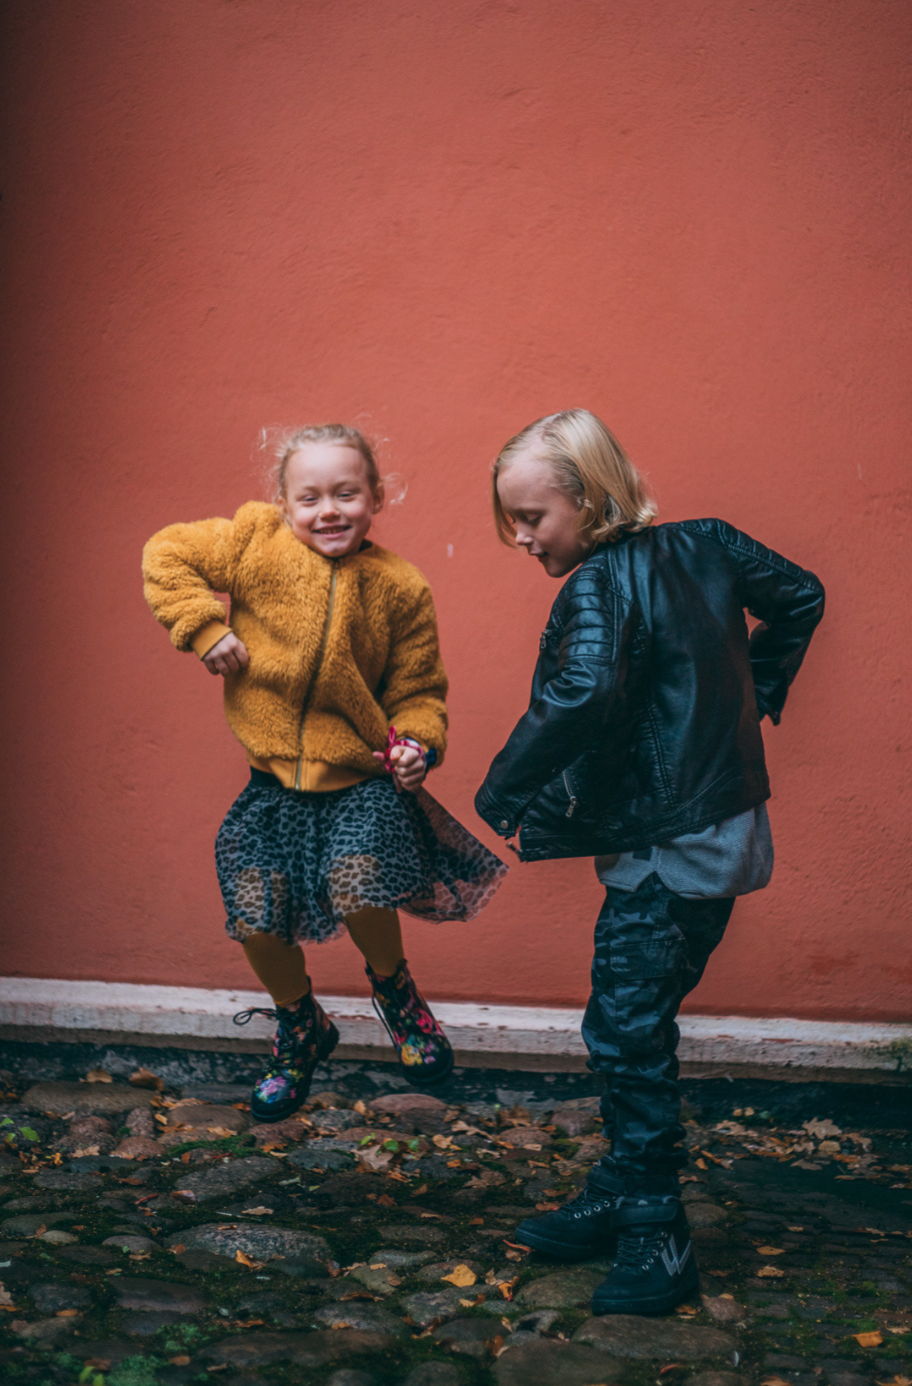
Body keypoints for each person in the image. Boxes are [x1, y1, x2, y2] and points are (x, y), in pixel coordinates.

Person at [475, 409, 824, 1316]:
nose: (521, 537)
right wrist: (759, 688)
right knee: (628, 1018)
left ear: (590, 501)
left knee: (628, 1031)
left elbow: (582, 691)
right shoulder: (708, 542)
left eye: (531, 517)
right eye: (511, 519)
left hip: (671, 843)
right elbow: (802, 593)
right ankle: (618, 1190)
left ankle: (655, 1228)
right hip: (714, 826)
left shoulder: (596, 583)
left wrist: (502, 789)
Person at [144, 422, 505, 1120]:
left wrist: (417, 745)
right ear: (283, 503)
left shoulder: (399, 587)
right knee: (255, 916)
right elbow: (167, 554)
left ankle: (394, 991)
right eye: (309, 498)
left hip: (359, 783)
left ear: (377, 497)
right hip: (272, 788)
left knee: (357, 881)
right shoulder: (254, 544)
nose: (328, 510)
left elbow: (419, 692)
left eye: (346, 493)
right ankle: (301, 1025)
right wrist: (203, 627)